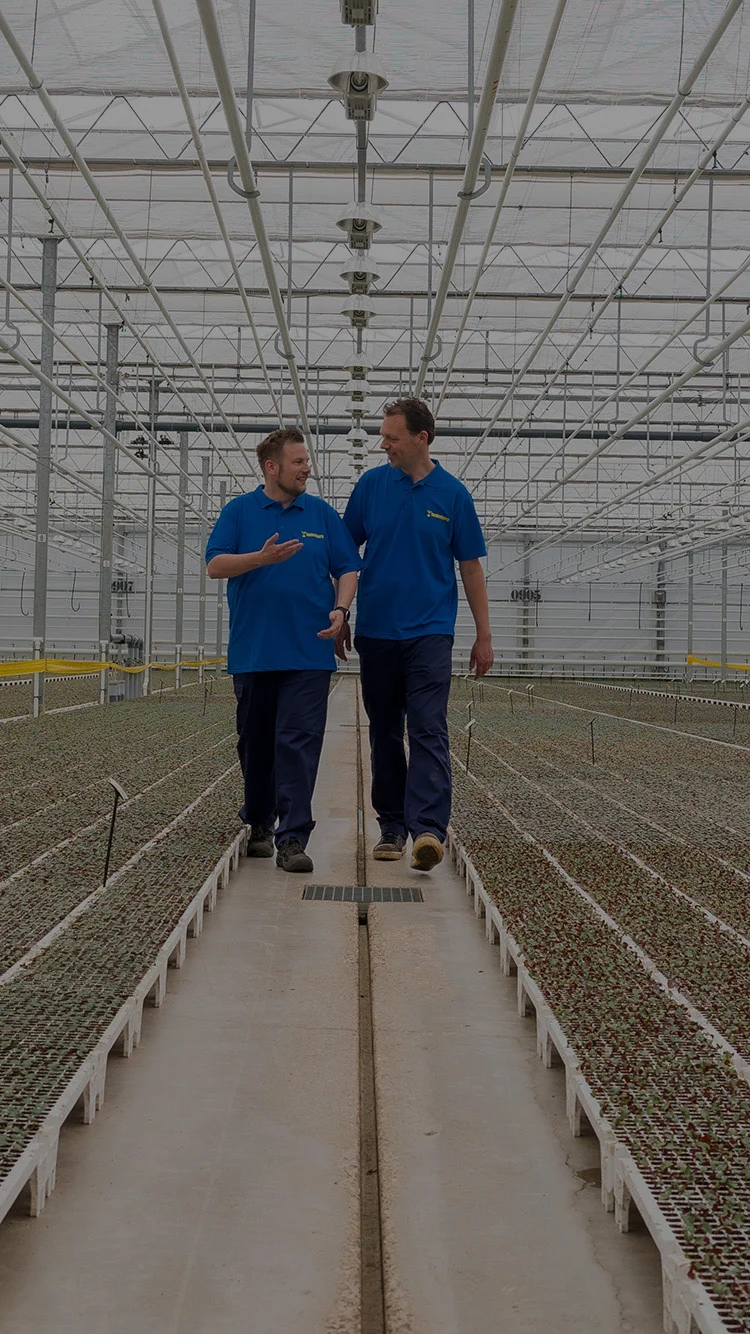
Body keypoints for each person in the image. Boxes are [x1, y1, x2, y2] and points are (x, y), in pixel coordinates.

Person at [338, 397, 493, 872]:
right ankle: (391, 825)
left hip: (430, 632)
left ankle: (428, 827)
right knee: (384, 731)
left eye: (391, 437)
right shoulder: (370, 487)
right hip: (378, 632)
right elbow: (346, 553)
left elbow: (469, 566)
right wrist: (340, 612)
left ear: (421, 438)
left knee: (428, 727)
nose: (383, 444)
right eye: (383, 436)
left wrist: (483, 635)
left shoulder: (452, 495)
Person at [206, 427, 360, 874]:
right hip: (254, 652)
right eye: (298, 462)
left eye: (306, 461)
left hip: (309, 653)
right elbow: (215, 564)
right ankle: (259, 821)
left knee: (298, 742)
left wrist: (341, 609)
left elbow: (348, 567)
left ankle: (293, 837)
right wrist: (259, 558)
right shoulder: (239, 512)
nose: (306, 468)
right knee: (256, 744)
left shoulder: (321, 515)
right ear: (272, 467)